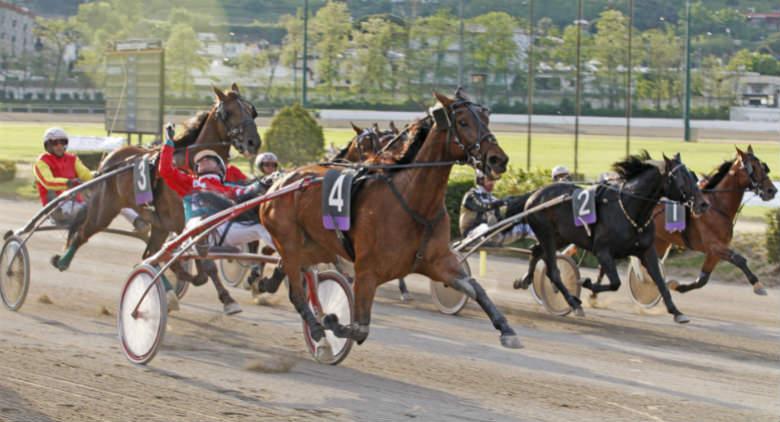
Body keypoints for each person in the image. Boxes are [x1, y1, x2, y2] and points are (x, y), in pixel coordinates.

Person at [158, 125, 273, 314]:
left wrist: (263, 183)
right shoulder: (189, 182)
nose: (205, 161)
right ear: (196, 170)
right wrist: (168, 143)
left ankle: (286, 255)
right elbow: (166, 171)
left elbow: (246, 192)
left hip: (223, 232)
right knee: (200, 223)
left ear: (220, 168)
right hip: (195, 232)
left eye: (210, 159)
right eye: (201, 161)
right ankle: (203, 243)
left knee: (261, 227)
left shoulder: (228, 188)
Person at [34, 127, 148, 232]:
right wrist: (69, 183)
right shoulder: (42, 162)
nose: (59, 146)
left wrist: (100, 176)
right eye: (55, 143)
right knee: (96, 207)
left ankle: (138, 221)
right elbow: (48, 182)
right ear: (48, 145)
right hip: (57, 207)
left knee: (111, 199)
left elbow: (86, 176)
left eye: (62, 142)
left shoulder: (72, 159)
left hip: (77, 202)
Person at [459, 171, 533, 246]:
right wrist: (502, 202)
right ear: (480, 180)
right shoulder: (471, 195)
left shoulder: (493, 199)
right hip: (471, 234)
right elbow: (483, 206)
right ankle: (489, 238)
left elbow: (499, 217)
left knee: (526, 227)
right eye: (489, 180)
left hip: (494, 234)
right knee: (485, 227)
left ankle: (543, 245)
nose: (493, 183)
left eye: (494, 181)